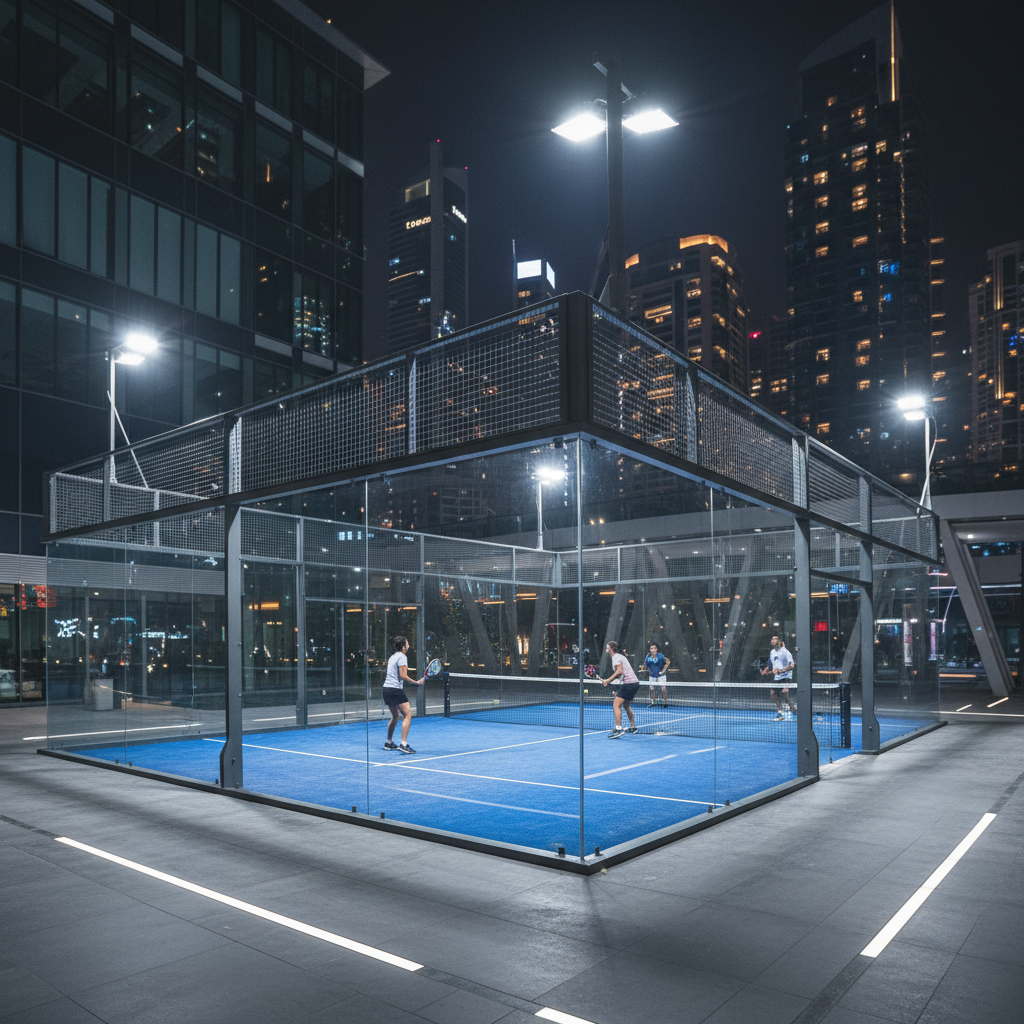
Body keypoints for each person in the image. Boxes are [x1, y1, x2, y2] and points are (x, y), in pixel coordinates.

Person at [382, 636, 424, 753]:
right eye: (407, 643)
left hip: (386, 689)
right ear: (403, 646)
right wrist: (416, 682)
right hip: (395, 690)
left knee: (396, 716)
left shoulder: (392, 657)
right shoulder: (402, 657)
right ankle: (403, 744)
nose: (409, 645)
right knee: (408, 714)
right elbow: (403, 675)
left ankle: (389, 742)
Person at [600, 641, 640, 738]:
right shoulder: (621, 656)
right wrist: (615, 688)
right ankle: (633, 727)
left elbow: (619, 671)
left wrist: (608, 680)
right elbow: (622, 675)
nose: (606, 647)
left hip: (629, 684)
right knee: (626, 705)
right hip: (635, 683)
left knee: (616, 705)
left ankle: (618, 729)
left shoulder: (616, 657)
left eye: (607, 646)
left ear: (611, 649)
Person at [760, 634, 796, 721]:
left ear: (779, 642)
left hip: (786, 676)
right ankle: (780, 711)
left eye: (775, 639)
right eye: (772, 639)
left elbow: (792, 665)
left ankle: (793, 709)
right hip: (777, 677)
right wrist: (767, 670)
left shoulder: (785, 652)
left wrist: (781, 671)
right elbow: (772, 665)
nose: (773, 641)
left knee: (785, 695)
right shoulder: (772, 652)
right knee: (772, 693)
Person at [643, 642, 670, 708]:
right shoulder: (648, 657)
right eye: (651, 648)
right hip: (652, 675)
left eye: (654, 648)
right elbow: (646, 666)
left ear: (657, 649)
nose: (653, 650)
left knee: (663, 689)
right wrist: (650, 671)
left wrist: (662, 671)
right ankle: (653, 702)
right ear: (650, 649)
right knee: (651, 689)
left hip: (661, 675)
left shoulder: (660, 656)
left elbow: (668, 661)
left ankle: (665, 702)